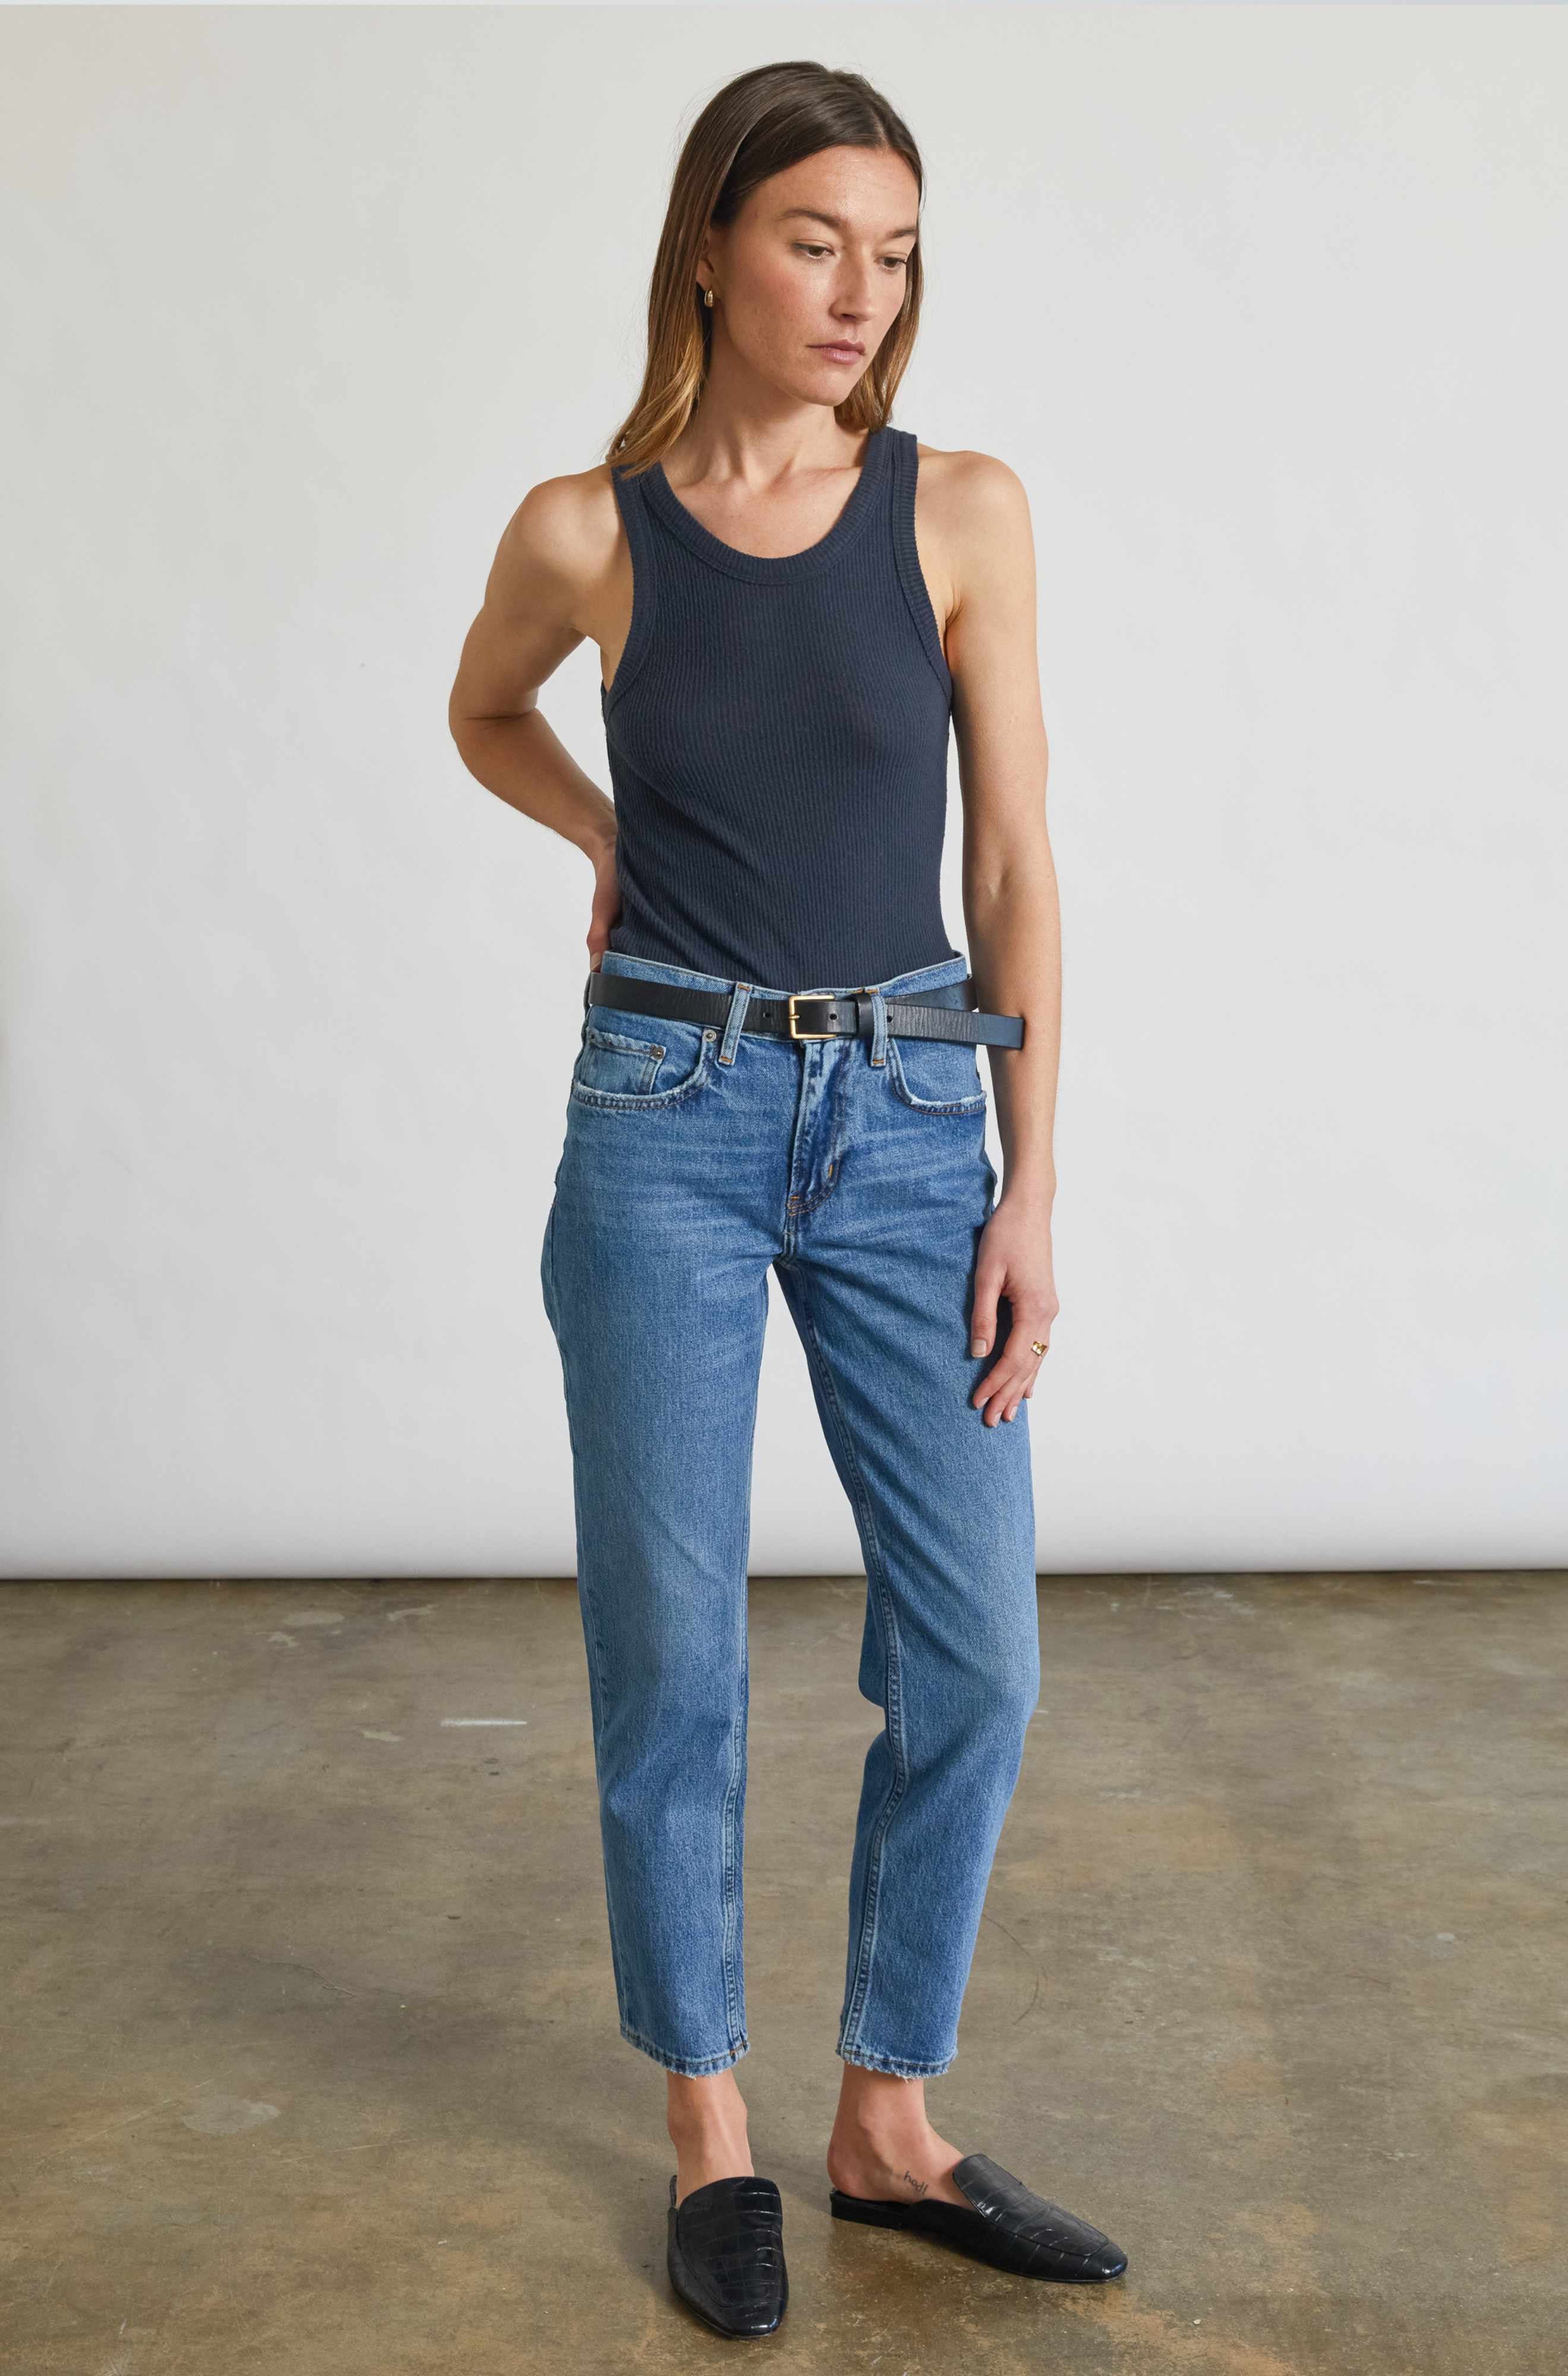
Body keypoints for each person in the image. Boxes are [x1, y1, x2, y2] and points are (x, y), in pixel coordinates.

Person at [448, 57, 1127, 2340]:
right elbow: (483, 713)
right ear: (716, 248)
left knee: (979, 1654)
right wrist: (600, 837)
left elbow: (1018, 858)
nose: (864, 293)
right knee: (677, 1651)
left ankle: (889, 2117)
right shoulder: (587, 528)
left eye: (900, 253)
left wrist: (1033, 1182)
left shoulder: (960, 509)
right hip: (662, 1110)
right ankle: (715, 2130)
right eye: (822, 241)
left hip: (921, 1115)